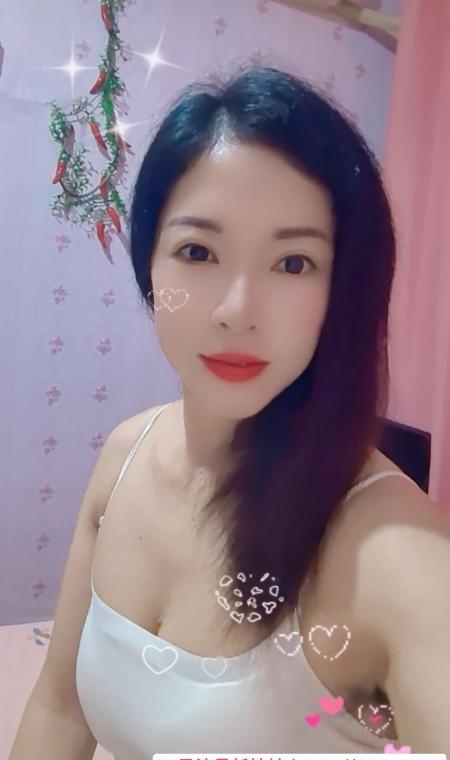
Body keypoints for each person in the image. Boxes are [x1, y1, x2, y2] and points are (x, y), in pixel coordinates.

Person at [10, 65, 450, 759]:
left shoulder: (402, 557)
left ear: (342, 289)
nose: (236, 311)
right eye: (197, 252)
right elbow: (59, 712)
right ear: (150, 266)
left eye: (293, 263)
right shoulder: (125, 455)